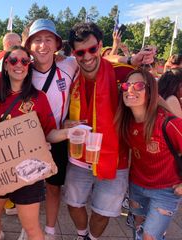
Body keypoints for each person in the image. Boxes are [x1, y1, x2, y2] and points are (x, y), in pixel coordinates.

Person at [65, 22, 155, 240]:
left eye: (92, 49)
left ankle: (92, 238)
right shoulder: (70, 74)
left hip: (115, 158)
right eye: (80, 52)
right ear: (73, 53)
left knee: (102, 211)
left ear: (101, 46)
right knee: (72, 203)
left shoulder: (123, 73)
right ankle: (81, 234)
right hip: (79, 156)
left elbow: (152, 98)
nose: (86, 57)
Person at [0, 45, 69, 240]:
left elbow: (49, 133)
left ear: (29, 66)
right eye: (13, 61)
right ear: (5, 65)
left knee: (30, 227)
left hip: (28, 170)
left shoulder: (39, 98)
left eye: (24, 61)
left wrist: (68, 134)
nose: (19, 65)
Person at [24, 18, 79, 240]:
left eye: (48, 39)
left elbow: (97, 59)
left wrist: (131, 58)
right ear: (29, 45)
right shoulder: (21, 69)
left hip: (56, 137)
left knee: (53, 188)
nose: (43, 45)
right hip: (27, 140)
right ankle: (28, 229)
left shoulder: (69, 65)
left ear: (57, 44)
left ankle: (50, 231)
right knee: (27, 188)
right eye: (37, 40)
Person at [115, 69, 182, 240]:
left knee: (149, 236)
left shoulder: (167, 123)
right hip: (137, 187)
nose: (130, 90)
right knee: (139, 230)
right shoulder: (125, 123)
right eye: (126, 85)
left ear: (151, 91)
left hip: (166, 191)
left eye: (138, 85)